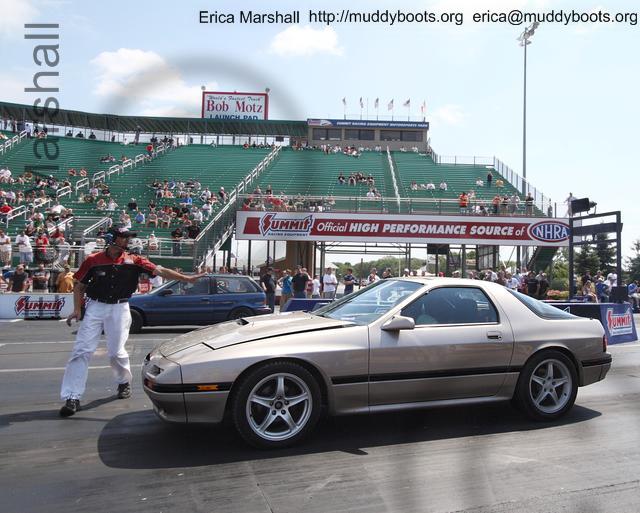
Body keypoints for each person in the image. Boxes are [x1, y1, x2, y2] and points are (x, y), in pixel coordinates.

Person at [58, 225, 203, 417]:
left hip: (120, 307)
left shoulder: (135, 260)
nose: (127, 241)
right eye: (123, 237)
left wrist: (186, 278)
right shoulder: (93, 261)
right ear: (112, 239)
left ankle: (123, 381)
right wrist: (77, 309)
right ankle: (72, 397)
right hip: (96, 307)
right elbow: (79, 286)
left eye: (128, 237)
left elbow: (161, 271)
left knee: (116, 352)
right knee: (81, 351)